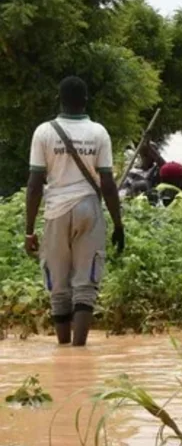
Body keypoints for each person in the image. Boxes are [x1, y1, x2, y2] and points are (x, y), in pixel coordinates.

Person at [24, 76, 125, 347]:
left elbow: (34, 185)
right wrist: (118, 224)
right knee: (85, 282)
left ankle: (63, 349)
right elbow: (107, 183)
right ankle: (79, 350)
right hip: (89, 209)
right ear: (86, 101)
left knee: (58, 282)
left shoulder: (43, 132)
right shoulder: (99, 133)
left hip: (55, 210)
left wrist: (28, 231)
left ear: (60, 100)